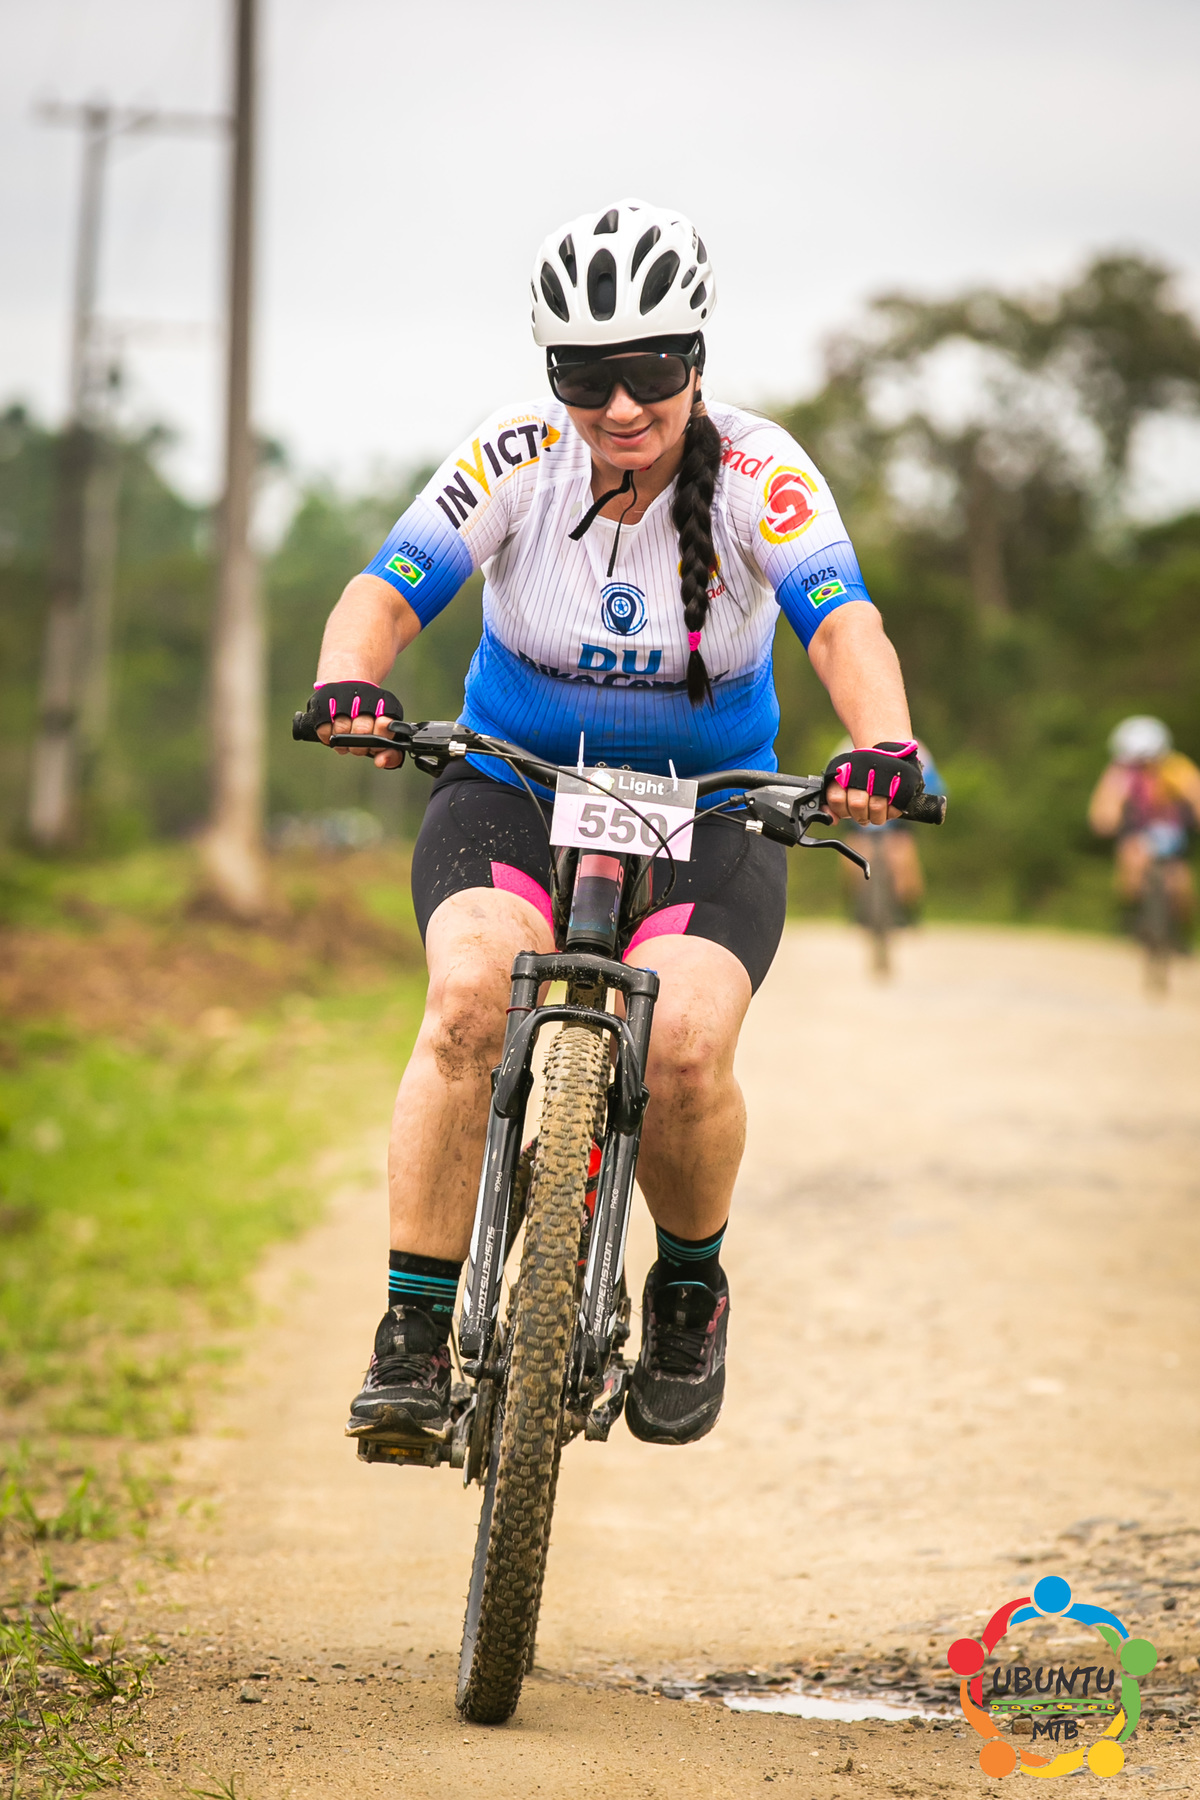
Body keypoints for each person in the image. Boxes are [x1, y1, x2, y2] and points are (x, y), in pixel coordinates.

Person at [296, 198, 928, 1450]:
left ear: (699, 356)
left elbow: (840, 621)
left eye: (653, 368)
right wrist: (349, 679)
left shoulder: (760, 473)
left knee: (685, 1045)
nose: (623, 404)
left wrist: (886, 744)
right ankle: (412, 1327)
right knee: (468, 1000)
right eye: (587, 375)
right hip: (516, 781)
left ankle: (689, 1286)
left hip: (713, 802)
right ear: (549, 372)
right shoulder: (516, 455)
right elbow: (388, 589)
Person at [1088, 715, 1200, 931]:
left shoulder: (1177, 768)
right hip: (1137, 828)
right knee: (1131, 872)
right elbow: (1107, 800)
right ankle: (1139, 915)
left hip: (1171, 828)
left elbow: (1196, 794)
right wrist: (1104, 819)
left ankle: (1177, 927)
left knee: (1181, 886)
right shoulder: (1120, 771)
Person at [835, 736, 945, 919]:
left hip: (889, 815)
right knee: (858, 855)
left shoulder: (847, 745)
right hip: (863, 814)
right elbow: (936, 787)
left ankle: (909, 906)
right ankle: (906, 909)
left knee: (900, 856)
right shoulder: (915, 748)